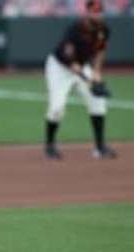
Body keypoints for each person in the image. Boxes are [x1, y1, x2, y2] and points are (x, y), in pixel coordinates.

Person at [44, 0, 117, 160]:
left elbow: (100, 50)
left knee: (98, 101)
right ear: (87, 11)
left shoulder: (103, 29)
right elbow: (70, 61)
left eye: (100, 11)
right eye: (95, 11)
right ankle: (49, 145)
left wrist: (96, 72)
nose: (98, 14)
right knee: (57, 107)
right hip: (60, 67)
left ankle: (100, 148)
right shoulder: (75, 29)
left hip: (82, 66)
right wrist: (86, 78)